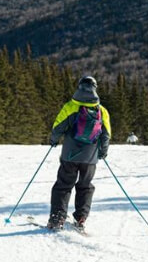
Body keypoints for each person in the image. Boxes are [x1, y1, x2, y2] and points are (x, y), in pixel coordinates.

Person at [47, 76, 111, 231]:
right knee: (85, 186)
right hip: (90, 158)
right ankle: (81, 219)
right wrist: (102, 152)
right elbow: (106, 134)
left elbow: (58, 127)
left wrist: (53, 140)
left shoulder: (71, 106)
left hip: (70, 154)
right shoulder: (101, 111)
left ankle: (57, 218)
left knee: (63, 185)